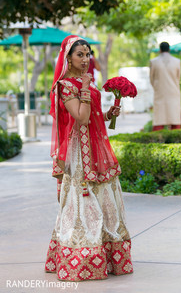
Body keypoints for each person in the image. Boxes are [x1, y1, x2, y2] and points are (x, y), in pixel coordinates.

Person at [45, 35, 133, 282]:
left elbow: (92, 116)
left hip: (96, 149)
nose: (85, 59)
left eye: (87, 54)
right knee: (83, 199)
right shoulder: (66, 86)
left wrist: (107, 114)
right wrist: (84, 86)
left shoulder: (87, 83)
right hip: (78, 153)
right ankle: (81, 259)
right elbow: (81, 118)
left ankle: (107, 255)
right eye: (79, 55)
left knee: (104, 195)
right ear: (68, 58)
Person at [150, 41, 181, 131]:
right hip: (173, 92)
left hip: (160, 93)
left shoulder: (153, 62)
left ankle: (157, 141)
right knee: (174, 118)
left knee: (159, 119)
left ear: (160, 50)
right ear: (169, 49)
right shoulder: (177, 61)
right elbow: (178, 78)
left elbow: (151, 79)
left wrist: (157, 87)